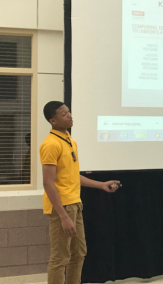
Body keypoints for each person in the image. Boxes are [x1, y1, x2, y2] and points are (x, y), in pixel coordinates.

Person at [40, 101, 121, 284]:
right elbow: (48, 183)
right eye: (63, 114)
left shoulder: (69, 140)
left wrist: (101, 185)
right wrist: (63, 216)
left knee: (79, 253)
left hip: (75, 203)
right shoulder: (51, 144)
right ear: (53, 120)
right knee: (60, 257)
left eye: (69, 112)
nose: (69, 115)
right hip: (62, 207)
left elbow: (72, 176)